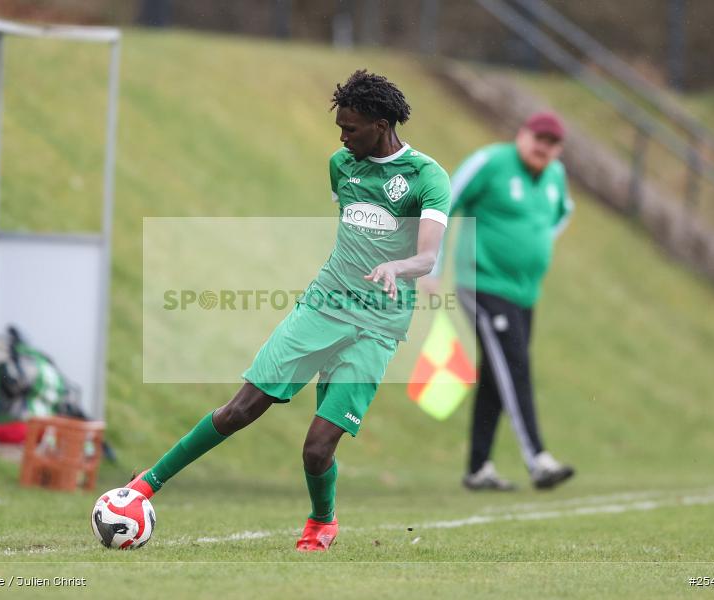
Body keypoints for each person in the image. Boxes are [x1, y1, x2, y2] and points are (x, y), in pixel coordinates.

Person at [126, 70, 451, 551]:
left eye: (350, 128)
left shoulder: (428, 177)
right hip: (322, 306)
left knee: (317, 450)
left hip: (378, 326)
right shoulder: (342, 166)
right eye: (339, 128)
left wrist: (396, 266)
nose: (342, 138)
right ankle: (144, 485)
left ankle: (322, 522)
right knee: (239, 410)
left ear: (381, 125)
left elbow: (427, 257)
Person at [420, 111, 575, 491]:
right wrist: (431, 264)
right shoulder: (490, 163)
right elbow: (445, 202)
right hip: (482, 283)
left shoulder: (555, 176)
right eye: (538, 139)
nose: (543, 148)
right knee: (515, 364)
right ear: (522, 135)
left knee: (497, 373)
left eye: (552, 143)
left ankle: (478, 468)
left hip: (524, 291)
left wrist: (535, 244)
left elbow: (562, 214)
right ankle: (538, 459)